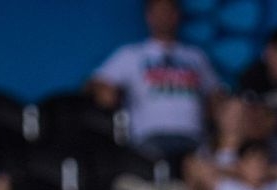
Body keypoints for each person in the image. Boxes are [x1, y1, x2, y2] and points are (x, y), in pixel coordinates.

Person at [90, 0, 222, 162]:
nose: (164, 16)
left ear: (177, 15)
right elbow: (94, 83)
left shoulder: (195, 56)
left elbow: (217, 94)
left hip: (193, 142)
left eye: (169, 11)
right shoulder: (132, 54)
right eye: (159, 11)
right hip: (149, 142)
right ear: (149, 16)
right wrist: (104, 91)